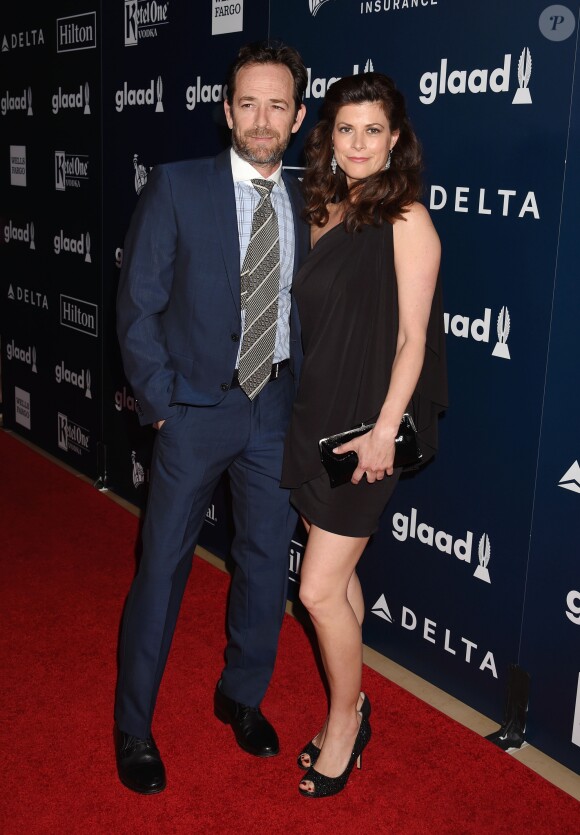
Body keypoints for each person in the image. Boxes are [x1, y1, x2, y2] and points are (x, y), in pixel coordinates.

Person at [115, 41, 308, 794]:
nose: (262, 120)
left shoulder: (308, 199)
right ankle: (134, 724)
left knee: (264, 565)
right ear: (227, 110)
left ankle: (243, 693)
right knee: (161, 568)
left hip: (275, 410)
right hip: (194, 411)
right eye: (248, 104)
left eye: (278, 105)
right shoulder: (177, 186)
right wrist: (162, 405)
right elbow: (138, 307)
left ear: (297, 115)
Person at [281, 72, 447, 798]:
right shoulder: (319, 204)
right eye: (345, 129)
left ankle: (346, 719)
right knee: (337, 579)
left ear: (396, 138)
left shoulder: (406, 216)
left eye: (372, 130)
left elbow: (413, 339)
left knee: (316, 589)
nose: (357, 143)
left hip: (367, 426)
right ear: (329, 134)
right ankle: (354, 702)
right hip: (319, 411)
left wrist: (384, 432)